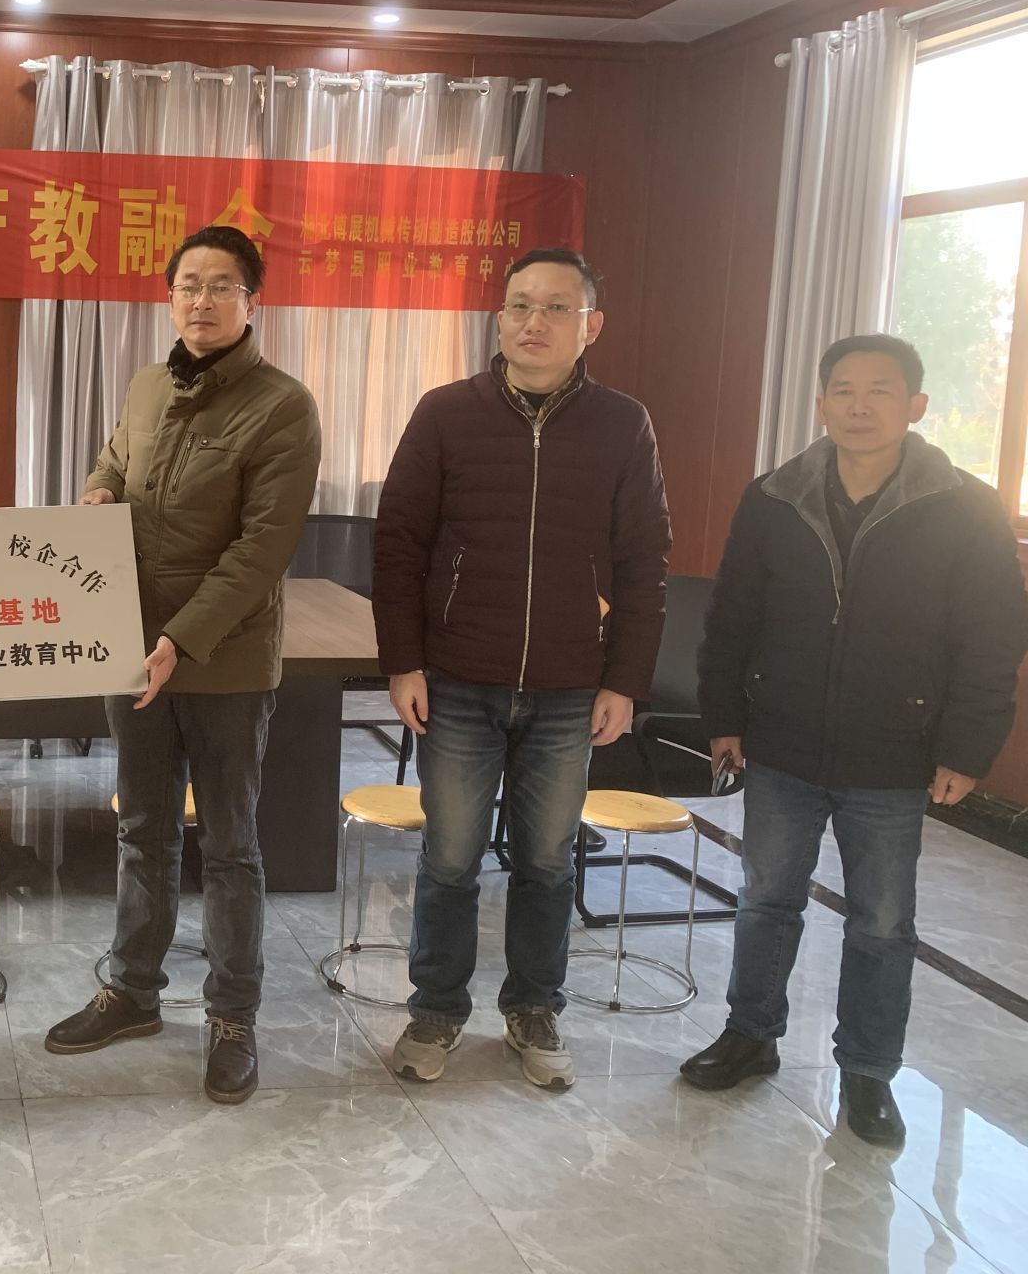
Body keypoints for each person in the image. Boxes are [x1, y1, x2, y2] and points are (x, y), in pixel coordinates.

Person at [684, 333, 1028, 1144]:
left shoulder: (966, 508)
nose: (860, 406)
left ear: (916, 406)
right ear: (820, 405)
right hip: (783, 743)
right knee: (766, 900)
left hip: (894, 750)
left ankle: (868, 1072)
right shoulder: (774, 497)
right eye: (843, 390)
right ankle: (751, 1033)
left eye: (880, 390)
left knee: (881, 920)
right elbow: (732, 617)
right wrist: (725, 718)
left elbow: (992, 637)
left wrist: (967, 746)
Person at [371, 247, 670, 1090]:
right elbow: (398, 544)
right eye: (520, 306)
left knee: (546, 861)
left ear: (591, 326)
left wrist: (626, 679)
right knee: (450, 859)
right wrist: (403, 662)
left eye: (556, 308)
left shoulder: (624, 424)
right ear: (499, 318)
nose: (535, 322)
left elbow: (645, 559)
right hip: (458, 678)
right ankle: (436, 1009)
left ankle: (534, 1008)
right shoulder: (446, 413)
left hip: (572, 686)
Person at [43, 225, 321, 1105]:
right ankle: (132, 991)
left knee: (230, 845)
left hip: (223, 663)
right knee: (143, 829)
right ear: (169, 299)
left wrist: (180, 640)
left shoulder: (282, 407)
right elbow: (116, 458)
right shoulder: (147, 384)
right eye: (188, 285)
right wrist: (98, 488)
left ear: (252, 301)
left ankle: (233, 1015)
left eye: (221, 286)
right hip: (130, 647)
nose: (202, 300)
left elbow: (261, 549)